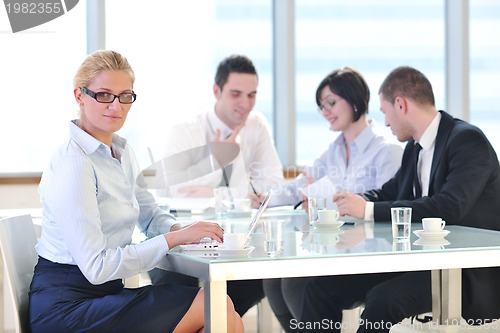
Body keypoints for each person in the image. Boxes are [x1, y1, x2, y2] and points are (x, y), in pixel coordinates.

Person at [28, 50, 243, 333]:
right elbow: (96, 268)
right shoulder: (74, 163)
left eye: (125, 96)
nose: (116, 106)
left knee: (219, 310)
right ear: (79, 96)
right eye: (104, 95)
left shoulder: (121, 151)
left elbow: (150, 215)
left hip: (105, 295)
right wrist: (174, 237)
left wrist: (184, 229)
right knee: (215, 307)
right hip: (68, 306)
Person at [299, 66, 500, 333]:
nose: (385, 123)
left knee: (383, 300)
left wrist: (368, 209)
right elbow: (390, 193)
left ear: (401, 104)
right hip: (419, 261)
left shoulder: (467, 141)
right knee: (320, 288)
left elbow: (448, 207)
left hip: (462, 270)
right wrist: (352, 202)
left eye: (384, 112)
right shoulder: (414, 148)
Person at [255, 67, 403, 332]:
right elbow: (298, 187)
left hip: (371, 253)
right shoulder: (333, 151)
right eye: (322, 106)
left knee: (294, 282)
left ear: (355, 100)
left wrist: (323, 201)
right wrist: (264, 198)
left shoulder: (386, 151)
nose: (325, 112)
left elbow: (386, 205)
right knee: (273, 280)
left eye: (331, 103)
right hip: (335, 249)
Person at [149, 54, 285, 316]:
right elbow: (172, 192)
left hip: (235, 238)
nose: (245, 104)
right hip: (182, 241)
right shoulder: (186, 131)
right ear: (216, 91)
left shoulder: (256, 126)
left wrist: (224, 182)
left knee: (257, 280)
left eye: (251, 95)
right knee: (176, 292)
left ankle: (222, 322)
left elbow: (273, 184)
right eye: (236, 94)